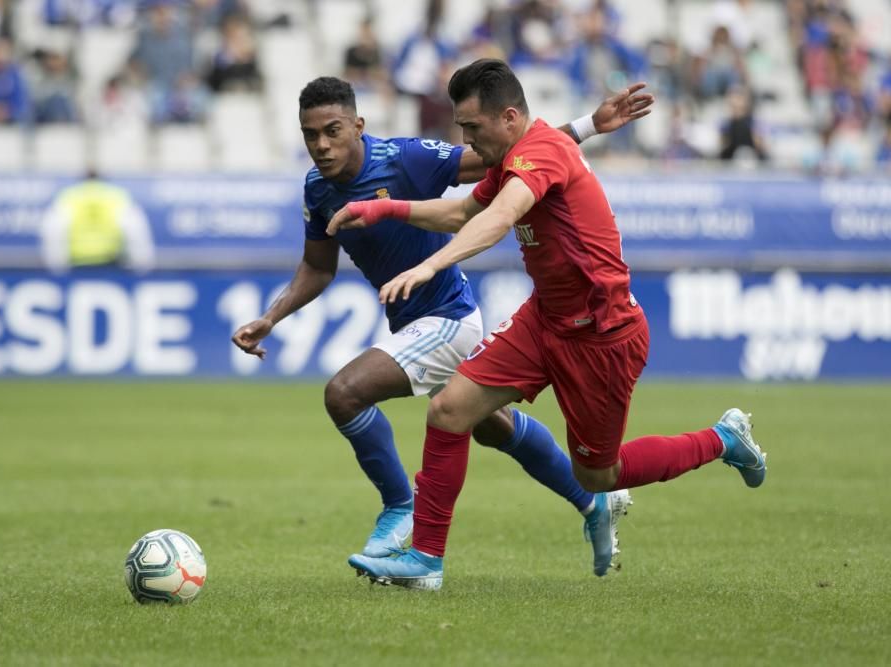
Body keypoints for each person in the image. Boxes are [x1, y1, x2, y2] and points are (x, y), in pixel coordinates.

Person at [330, 59, 767, 590]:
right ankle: (425, 560)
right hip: (546, 319)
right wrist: (384, 211)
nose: (465, 140)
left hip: (601, 334)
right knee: (449, 410)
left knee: (598, 475)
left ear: (509, 117)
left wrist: (427, 266)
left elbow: (496, 219)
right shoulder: (514, 154)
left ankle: (723, 438)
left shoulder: (540, 151)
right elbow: (460, 213)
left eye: (472, 128)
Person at [231, 75, 655, 577]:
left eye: (333, 130)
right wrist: (272, 316)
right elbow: (319, 268)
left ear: (358, 126)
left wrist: (586, 126)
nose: (321, 145)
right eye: (310, 135)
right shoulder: (317, 189)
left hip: (448, 317)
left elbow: (503, 152)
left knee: (344, 393)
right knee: (488, 428)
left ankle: (400, 511)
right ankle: (591, 502)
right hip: (411, 323)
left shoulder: (404, 158)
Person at [39, 170, 154, 272]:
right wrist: (141, 264)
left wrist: (57, 265)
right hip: (109, 262)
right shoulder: (116, 196)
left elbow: (53, 230)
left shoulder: (69, 196)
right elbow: (135, 230)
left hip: (77, 264)